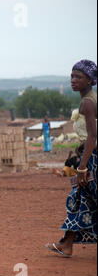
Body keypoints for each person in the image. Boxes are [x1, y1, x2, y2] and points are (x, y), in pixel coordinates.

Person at [46, 59, 97, 257]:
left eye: (79, 77)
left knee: (83, 199)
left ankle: (66, 243)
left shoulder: (88, 102)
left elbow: (93, 136)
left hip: (93, 161)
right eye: (72, 76)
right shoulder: (90, 98)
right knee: (80, 199)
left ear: (90, 80)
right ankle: (66, 244)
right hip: (90, 156)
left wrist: (83, 166)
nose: (73, 80)